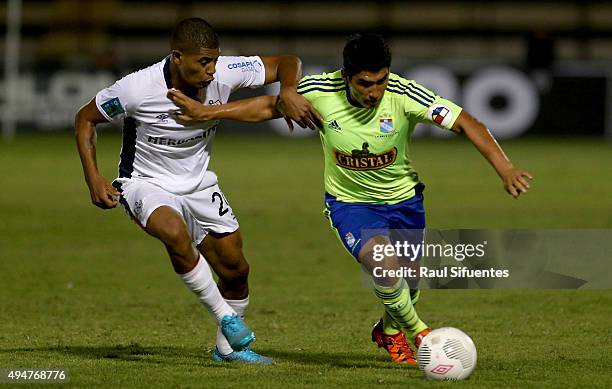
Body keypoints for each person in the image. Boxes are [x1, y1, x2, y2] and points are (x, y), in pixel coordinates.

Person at [170, 33, 533, 365]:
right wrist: (207, 112)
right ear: (346, 76)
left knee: (409, 282)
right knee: (384, 265)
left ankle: (388, 331)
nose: (374, 92)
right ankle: (421, 334)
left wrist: (505, 168)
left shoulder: (406, 96)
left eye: (381, 81)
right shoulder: (318, 92)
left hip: (405, 202)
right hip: (350, 204)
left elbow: (468, 121)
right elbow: (267, 107)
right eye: (365, 83)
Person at [75, 17, 322, 365]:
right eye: (203, 62)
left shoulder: (225, 71)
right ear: (178, 57)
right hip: (145, 182)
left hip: (200, 184)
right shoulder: (135, 89)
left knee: (236, 270)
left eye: (214, 60)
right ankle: (228, 319)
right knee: (174, 233)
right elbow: (85, 118)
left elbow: (287, 62)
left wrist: (289, 90)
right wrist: (93, 177)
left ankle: (227, 351)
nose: (211, 70)